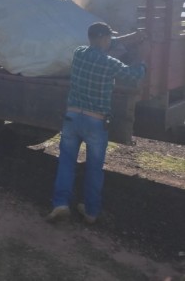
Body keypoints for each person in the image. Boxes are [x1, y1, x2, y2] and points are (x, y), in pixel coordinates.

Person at [46, 22, 147, 224]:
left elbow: (105, 42)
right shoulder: (110, 63)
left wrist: (132, 36)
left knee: (66, 162)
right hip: (96, 122)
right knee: (94, 168)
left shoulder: (79, 53)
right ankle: (91, 211)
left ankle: (61, 204)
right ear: (102, 39)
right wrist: (144, 60)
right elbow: (134, 75)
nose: (110, 41)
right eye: (108, 38)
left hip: (72, 118)